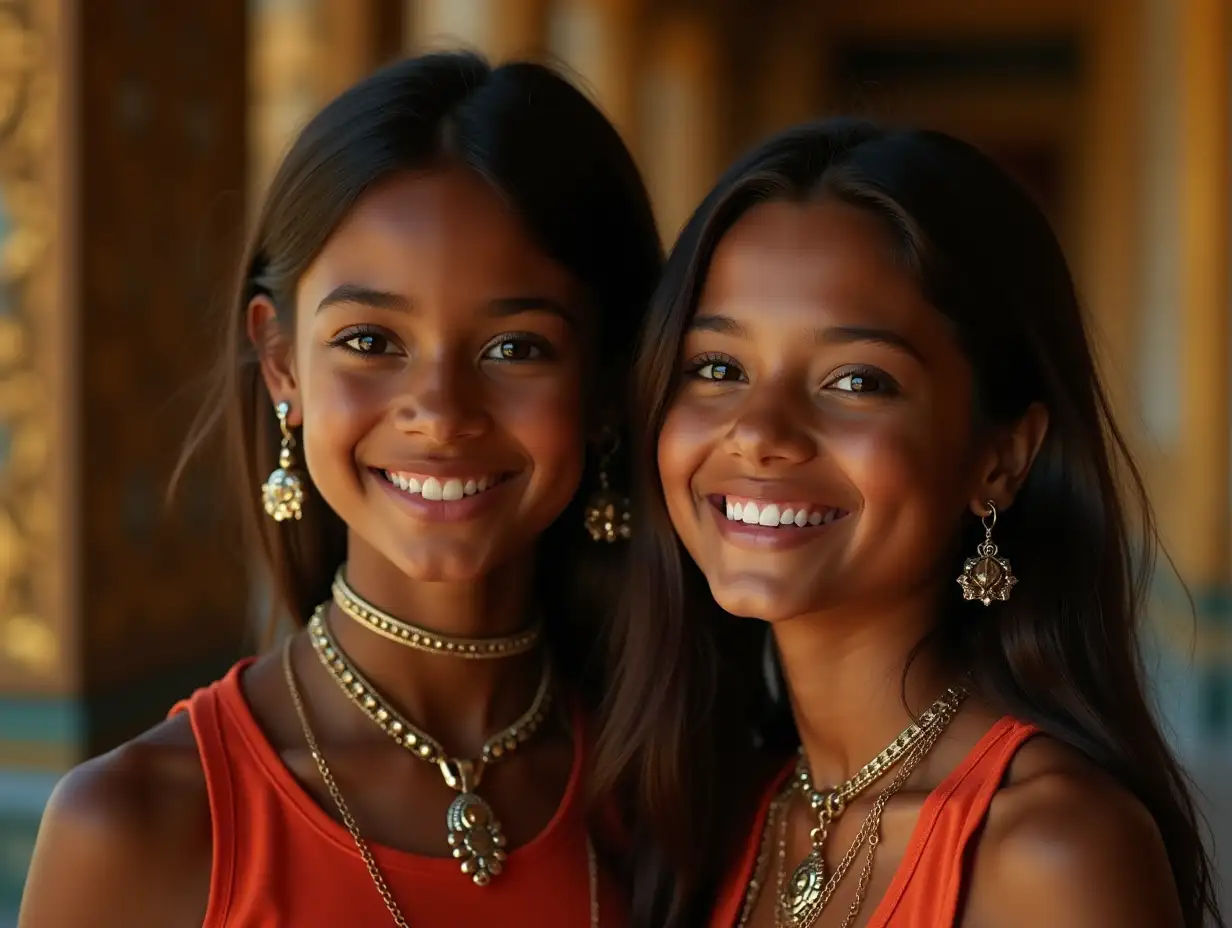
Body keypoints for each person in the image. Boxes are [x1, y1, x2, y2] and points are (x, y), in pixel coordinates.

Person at [19, 51, 661, 927]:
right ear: (282, 363)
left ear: (605, 384)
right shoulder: (143, 824)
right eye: (370, 341)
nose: (439, 413)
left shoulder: (676, 801)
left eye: (516, 348)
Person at [595, 119, 1223, 927]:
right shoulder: (706, 819)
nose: (760, 432)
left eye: (856, 381)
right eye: (717, 368)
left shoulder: (1051, 849)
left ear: (999, 458)